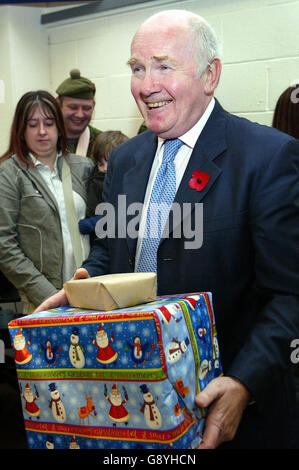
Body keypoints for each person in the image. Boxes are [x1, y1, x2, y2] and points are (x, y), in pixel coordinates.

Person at [35, 10, 299, 449]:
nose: (146, 84)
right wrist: (84, 283)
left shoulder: (268, 158)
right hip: (135, 405)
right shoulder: (125, 161)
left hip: (234, 413)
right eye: (137, 68)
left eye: (163, 66)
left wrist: (244, 382)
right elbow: (110, 249)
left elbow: (290, 293)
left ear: (210, 74)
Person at [0, 90, 94, 314]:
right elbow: (5, 244)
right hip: (41, 301)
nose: (42, 132)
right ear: (21, 131)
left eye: (49, 123)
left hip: (90, 292)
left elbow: (100, 229)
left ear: (59, 128)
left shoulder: (83, 167)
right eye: (32, 125)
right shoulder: (10, 174)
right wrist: (49, 295)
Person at [78, 130, 129, 240]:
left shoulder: (125, 184)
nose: (105, 168)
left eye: (110, 163)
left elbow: (116, 216)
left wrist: (87, 224)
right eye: (101, 164)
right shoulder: (94, 175)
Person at [56, 69, 101, 159]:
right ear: (58, 104)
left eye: (86, 108)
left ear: (93, 106)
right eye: (73, 107)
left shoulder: (102, 143)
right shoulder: (45, 141)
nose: (80, 115)